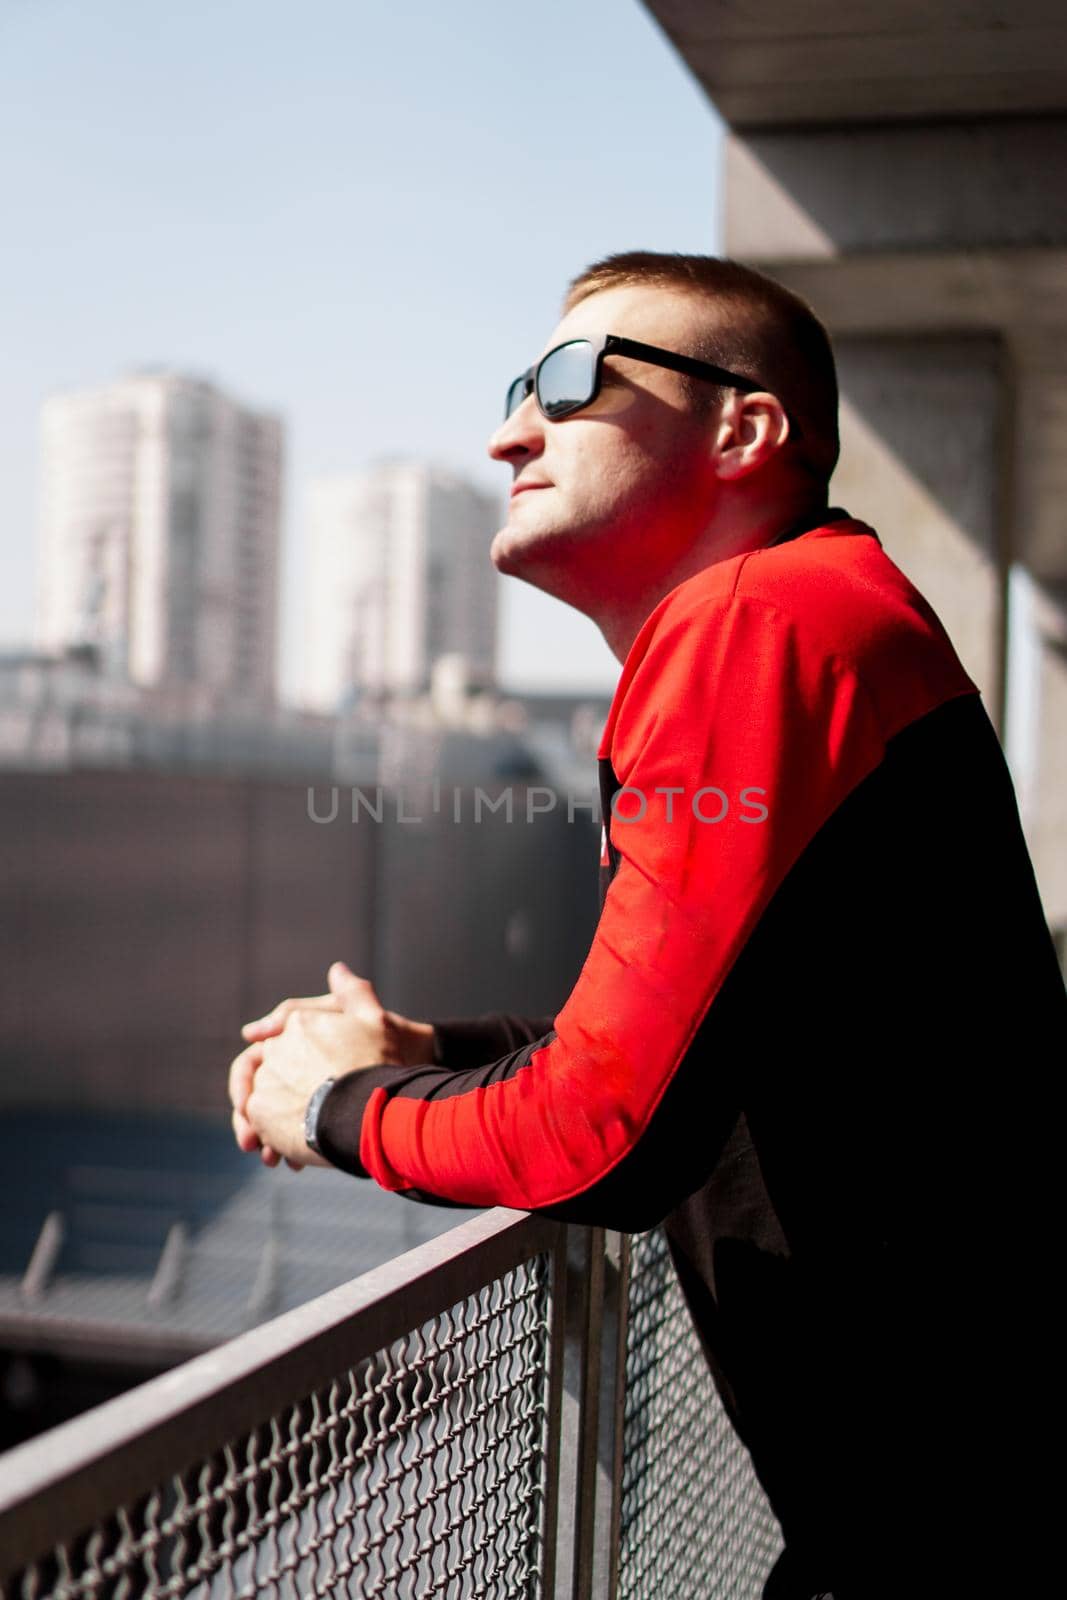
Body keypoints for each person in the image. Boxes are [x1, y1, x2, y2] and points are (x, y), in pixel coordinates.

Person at [228, 253, 1064, 1599]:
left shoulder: (759, 625)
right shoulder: (812, 618)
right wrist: (416, 1042)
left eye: (571, 384)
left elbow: (604, 1137)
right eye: (519, 389)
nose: (511, 431)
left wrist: (333, 1109)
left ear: (744, 429)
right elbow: (695, 1053)